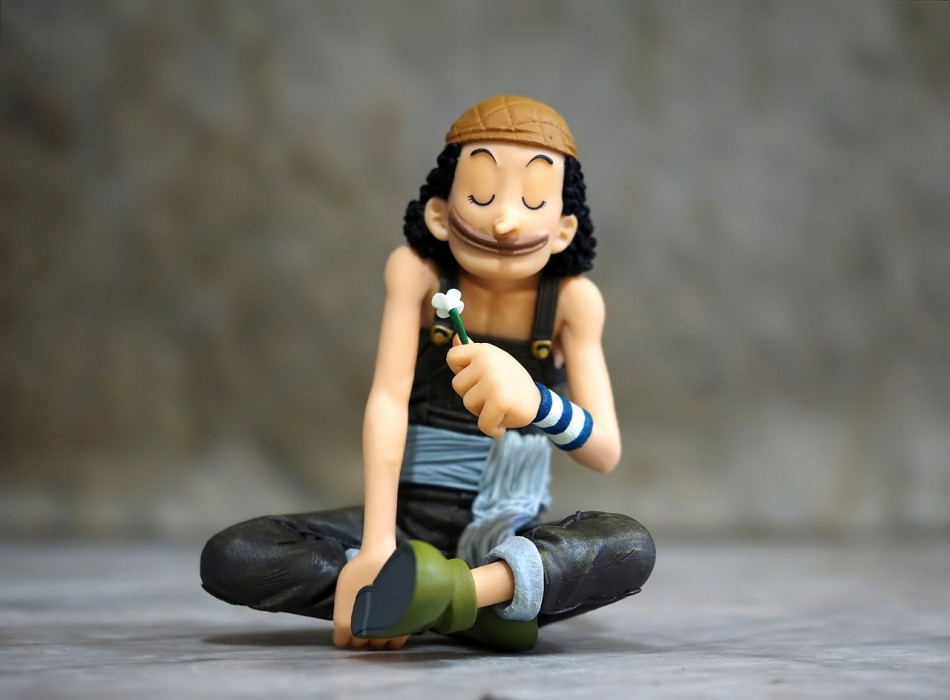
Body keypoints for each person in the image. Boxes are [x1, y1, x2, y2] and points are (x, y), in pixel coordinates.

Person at [200, 95, 655, 652]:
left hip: (508, 536)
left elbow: (604, 450)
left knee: (628, 545)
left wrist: (538, 403)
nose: (506, 221)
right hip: (407, 526)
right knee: (238, 554)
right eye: (482, 194)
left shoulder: (572, 303)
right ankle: (477, 605)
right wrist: (377, 546)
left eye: (533, 200)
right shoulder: (417, 276)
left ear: (563, 229)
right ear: (440, 213)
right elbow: (388, 401)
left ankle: (444, 595)